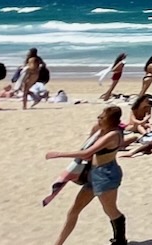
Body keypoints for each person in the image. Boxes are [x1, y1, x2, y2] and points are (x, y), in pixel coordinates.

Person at [46, 105, 129, 245]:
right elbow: (87, 144)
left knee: (110, 210)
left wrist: (58, 154)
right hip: (93, 174)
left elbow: (87, 153)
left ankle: (120, 240)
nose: (99, 119)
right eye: (99, 117)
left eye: (102, 117)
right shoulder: (102, 131)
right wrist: (97, 127)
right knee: (73, 211)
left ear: (111, 119)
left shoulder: (113, 134)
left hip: (106, 175)